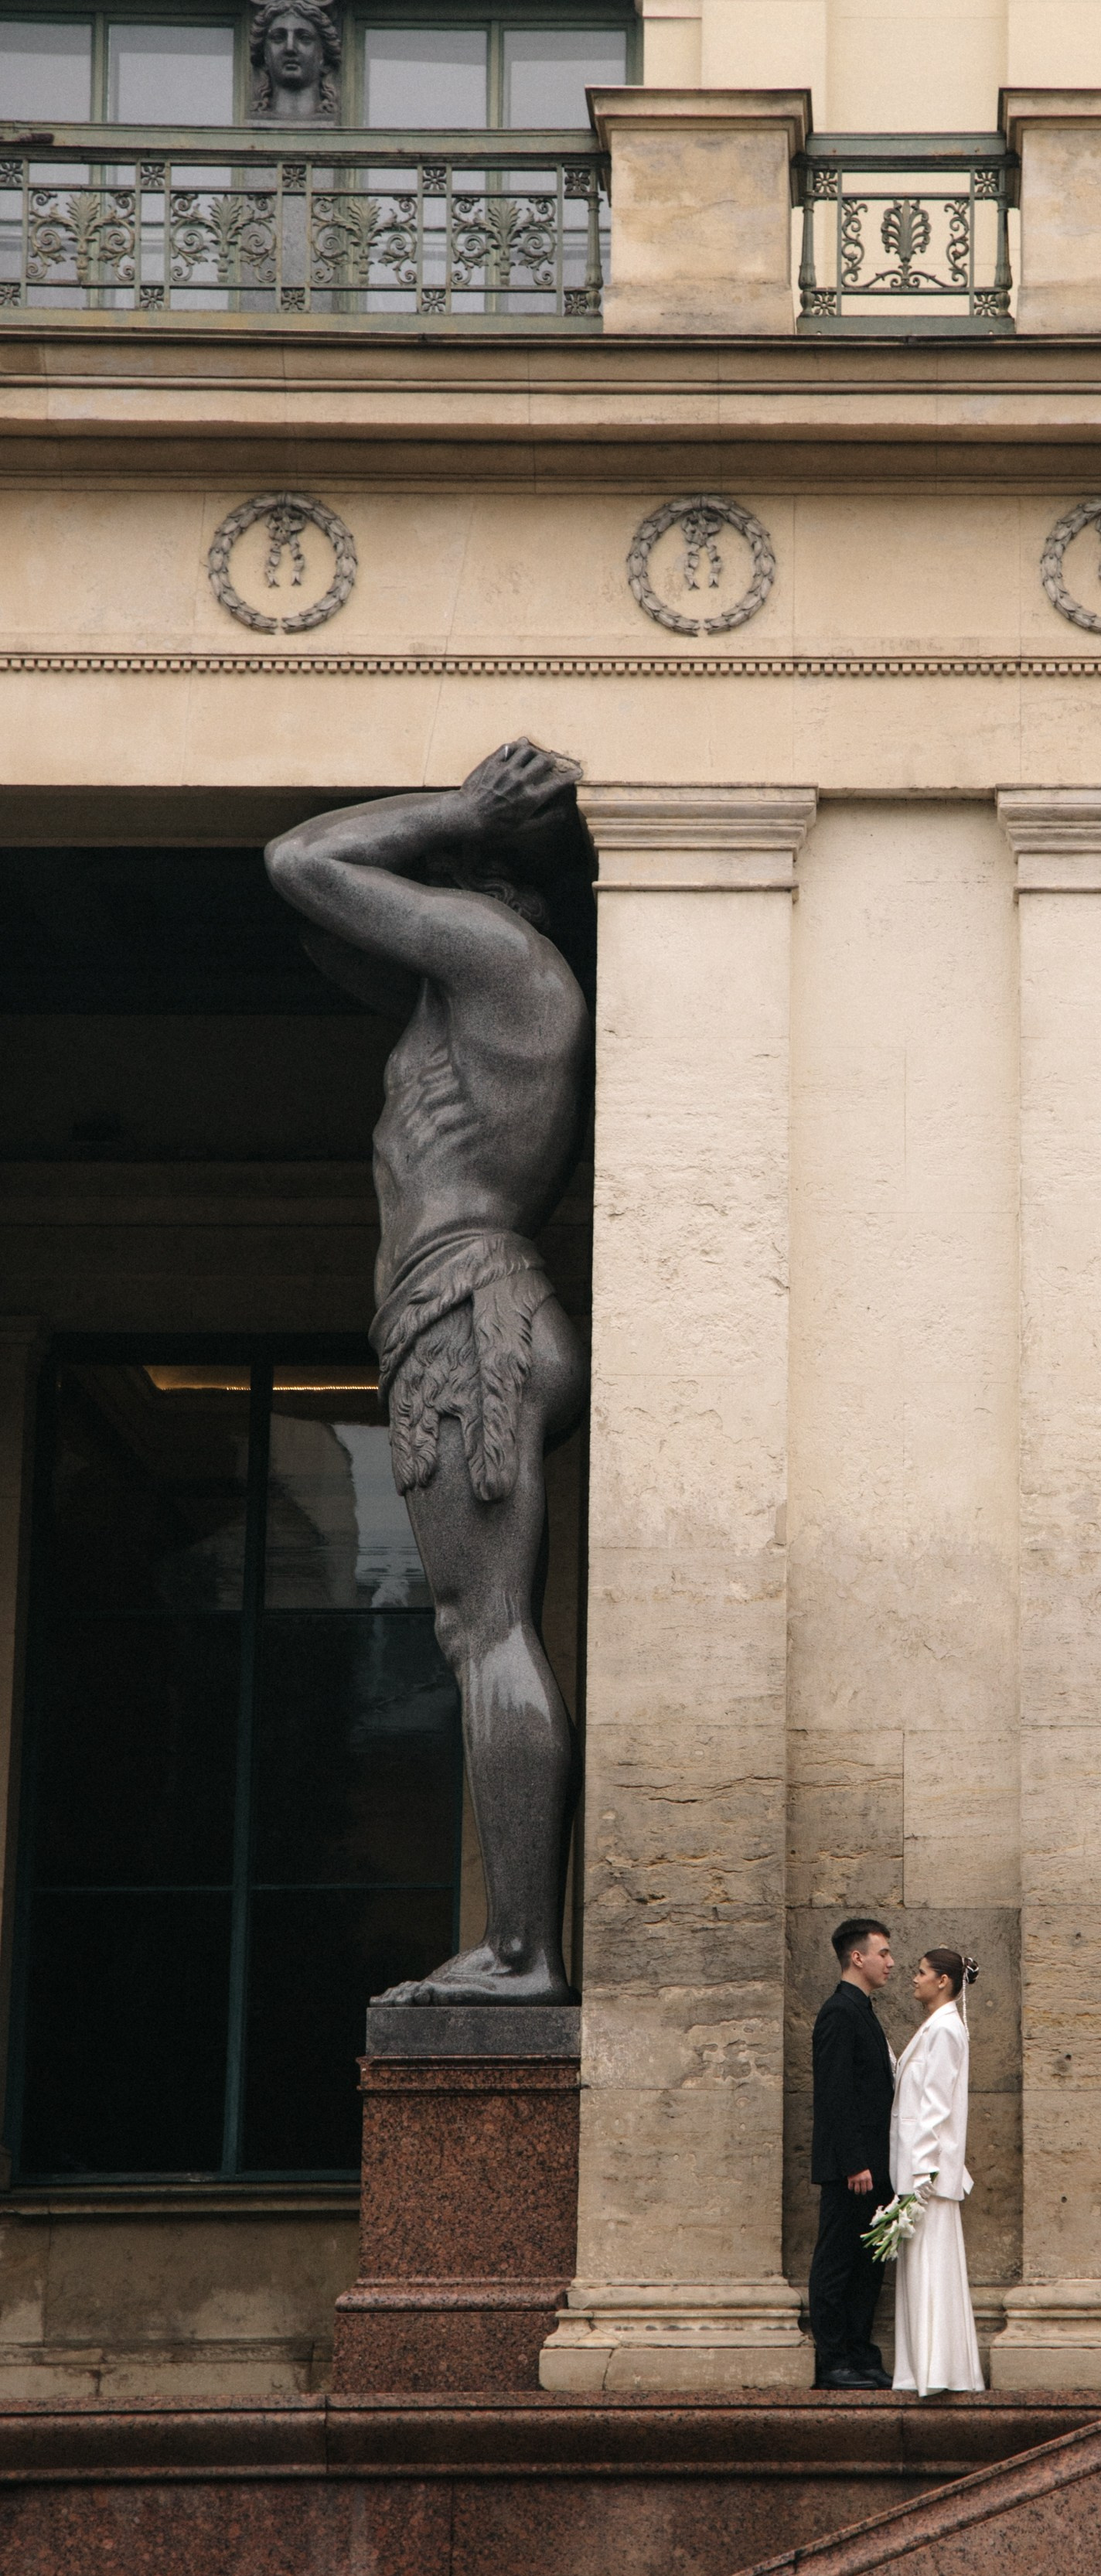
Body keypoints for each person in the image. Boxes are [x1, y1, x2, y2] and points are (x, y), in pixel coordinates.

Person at [266, 742, 595, 2005]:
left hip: (472, 1317)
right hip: (457, 1315)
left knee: (483, 1628)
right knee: (480, 1627)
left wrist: (460, 809)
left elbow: (304, 862)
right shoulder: (464, 997)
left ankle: (519, 1950)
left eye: (435, 873)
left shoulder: (504, 966)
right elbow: (336, 937)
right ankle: (517, 1943)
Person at [889, 1947, 983, 2397]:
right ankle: (923, 2369)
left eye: (921, 1973)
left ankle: (936, 2371)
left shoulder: (946, 2029)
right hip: (919, 2170)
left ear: (942, 1981)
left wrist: (921, 2172)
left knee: (931, 2270)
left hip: (926, 2173)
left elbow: (936, 2107)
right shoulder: (937, 2027)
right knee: (924, 2270)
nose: (914, 1979)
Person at [809, 1917, 897, 2389]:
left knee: (868, 2266)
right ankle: (835, 2361)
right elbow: (835, 2093)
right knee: (838, 2262)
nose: (891, 1962)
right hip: (853, 2169)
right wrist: (854, 2162)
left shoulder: (863, 2009)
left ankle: (861, 2355)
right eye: (883, 1953)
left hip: (873, 2166)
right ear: (857, 1957)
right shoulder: (840, 2011)